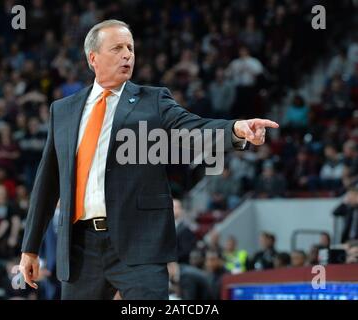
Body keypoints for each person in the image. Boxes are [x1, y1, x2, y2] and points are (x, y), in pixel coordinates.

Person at [20, 19, 279, 300]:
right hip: (81, 247)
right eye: (117, 48)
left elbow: (192, 128)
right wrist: (30, 248)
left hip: (139, 244)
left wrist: (236, 130)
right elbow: (46, 184)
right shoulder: (64, 110)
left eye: (130, 48)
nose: (127, 54)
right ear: (93, 58)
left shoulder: (152, 100)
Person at [173, 199, 196, 264]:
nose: (172, 210)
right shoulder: (166, 227)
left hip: (181, 264)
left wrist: (170, 259)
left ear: (181, 210)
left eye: (175, 207)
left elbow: (185, 251)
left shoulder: (185, 229)